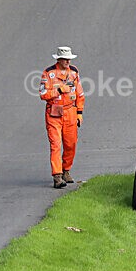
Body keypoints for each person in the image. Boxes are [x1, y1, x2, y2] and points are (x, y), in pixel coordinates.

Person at [39, 46, 85, 188]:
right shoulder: (48, 73)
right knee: (56, 144)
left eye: (69, 59)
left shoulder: (74, 72)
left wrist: (79, 113)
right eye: (65, 59)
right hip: (54, 113)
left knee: (71, 144)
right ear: (58, 59)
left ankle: (66, 171)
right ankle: (57, 176)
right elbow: (43, 94)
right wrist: (59, 90)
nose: (68, 61)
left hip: (71, 112)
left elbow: (80, 94)